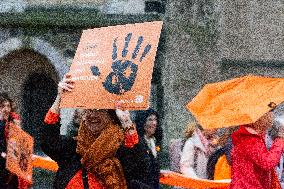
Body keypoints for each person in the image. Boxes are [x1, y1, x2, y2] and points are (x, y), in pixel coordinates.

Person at [41, 74, 137, 189]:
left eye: (99, 110)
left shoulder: (120, 150)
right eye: (88, 110)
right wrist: (59, 98)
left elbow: (138, 162)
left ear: (111, 116)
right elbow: (48, 141)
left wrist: (126, 122)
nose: (92, 115)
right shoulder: (73, 149)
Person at [230, 107, 284, 189]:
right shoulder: (250, 139)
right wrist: (279, 140)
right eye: (269, 112)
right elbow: (267, 162)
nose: (271, 116)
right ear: (260, 118)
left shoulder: (248, 137)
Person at [116, 108, 163, 189]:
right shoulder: (135, 142)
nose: (154, 123)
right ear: (142, 122)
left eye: (155, 119)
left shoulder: (154, 141)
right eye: (150, 120)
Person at [0, 92, 30, 189]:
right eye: (2, 106)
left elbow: (21, 147)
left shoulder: (13, 123)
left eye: (8, 106)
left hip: (10, 173)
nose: (6, 109)